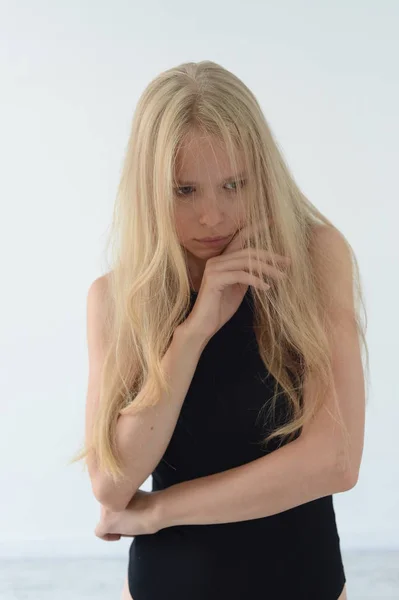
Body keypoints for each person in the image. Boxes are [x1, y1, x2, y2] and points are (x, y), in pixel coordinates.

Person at [71, 60, 368, 600]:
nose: (212, 216)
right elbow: (113, 483)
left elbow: (336, 460)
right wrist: (194, 331)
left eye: (233, 184)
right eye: (185, 191)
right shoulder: (117, 299)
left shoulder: (314, 260)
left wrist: (160, 510)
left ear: (263, 173)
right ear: (150, 188)